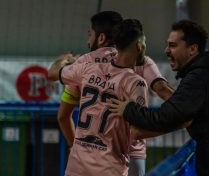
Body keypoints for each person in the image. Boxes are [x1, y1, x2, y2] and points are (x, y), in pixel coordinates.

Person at [108, 20, 209, 176]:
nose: (166, 50)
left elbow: (164, 117)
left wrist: (129, 109)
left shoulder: (198, 78)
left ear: (192, 49)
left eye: (173, 46)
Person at [56, 11, 174, 176]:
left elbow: (62, 112)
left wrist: (62, 62)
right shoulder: (138, 78)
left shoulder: (86, 65)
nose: (88, 40)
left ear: (104, 38)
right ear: (139, 45)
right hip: (118, 159)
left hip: (81, 159)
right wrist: (182, 117)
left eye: (90, 34)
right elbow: (160, 90)